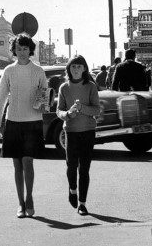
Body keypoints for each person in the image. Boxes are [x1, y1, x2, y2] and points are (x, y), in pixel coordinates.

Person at [0, 34, 48, 218]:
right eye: (19, 48)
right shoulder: (8, 71)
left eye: (25, 48)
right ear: (14, 50)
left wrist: (43, 102)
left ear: (30, 50)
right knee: (17, 165)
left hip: (32, 122)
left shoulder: (38, 71)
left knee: (27, 162)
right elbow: (0, 99)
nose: (22, 52)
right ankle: (20, 204)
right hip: (13, 121)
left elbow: (45, 97)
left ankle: (29, 198)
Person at [56, 55, 100, 216]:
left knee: (85, 169)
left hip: (88, 131)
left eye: (79, 67)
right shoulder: (64, 88)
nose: (76, 70)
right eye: (73, 67)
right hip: (71, 131)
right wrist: (67, 114)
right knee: (71, 166)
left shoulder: (90, 87)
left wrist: (82, 108)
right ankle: (72, 189)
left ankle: (82, 203)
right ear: (69, 69)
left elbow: (97, 110)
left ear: (84, 69)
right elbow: (58, 111)